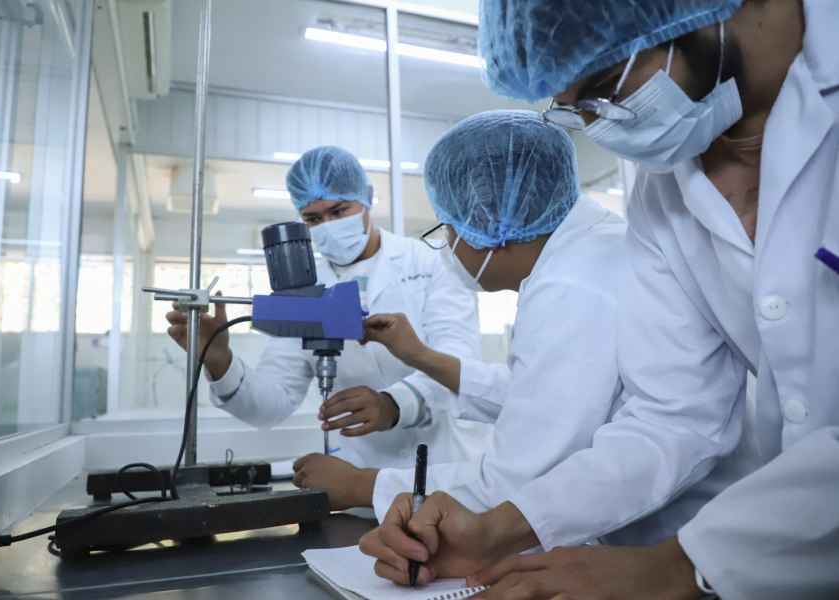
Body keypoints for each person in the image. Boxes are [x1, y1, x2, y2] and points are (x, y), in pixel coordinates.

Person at [365, 1, 839, 598]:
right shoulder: (665, 187)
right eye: (576, 109)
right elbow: (675, 413)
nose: (599, 128)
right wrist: (495, 531)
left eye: (605, 85)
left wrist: (683, 567)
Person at [300, 113, 647, 538]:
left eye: (449, 226)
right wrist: (420, 356)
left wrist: (360, 484)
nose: (448, 244)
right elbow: (532, 394)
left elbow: (518, 481)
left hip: (650, 537)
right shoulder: (590, 250)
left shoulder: (569, 287)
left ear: (488, 222)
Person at [165, 146, 489, 470]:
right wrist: (220, 360)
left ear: (366, 199)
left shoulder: (431, 263)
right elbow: (271, 404)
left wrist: (392, 404)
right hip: (360, 474)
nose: (328, 225)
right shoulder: (303, 291)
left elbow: (458, 364)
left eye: (339, 211)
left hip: (444, 465)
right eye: (313, 218)